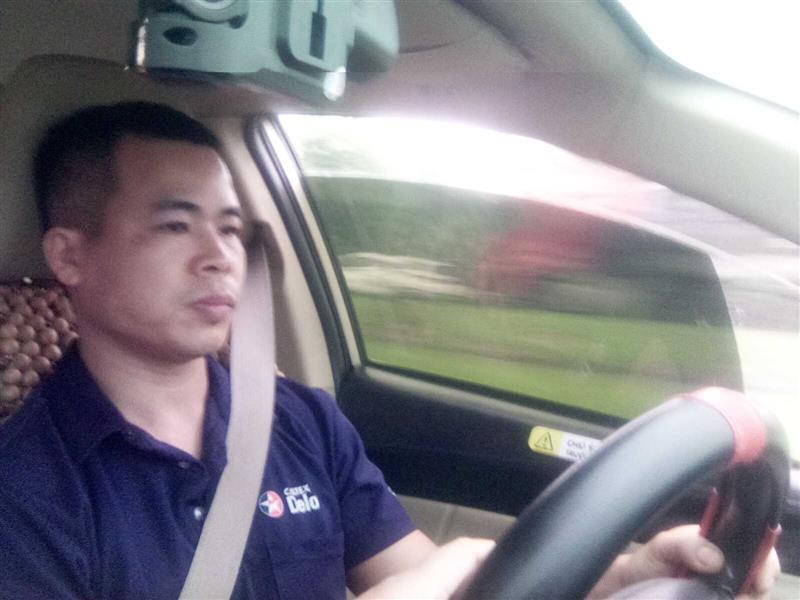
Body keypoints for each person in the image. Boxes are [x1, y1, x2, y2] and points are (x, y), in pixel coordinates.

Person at [0, 101, 779, 599]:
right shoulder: (25, 491)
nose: (220, 257)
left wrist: (630, 572)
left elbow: (426, 578)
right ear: (70, 256)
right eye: (176, 225)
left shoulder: (300, 422)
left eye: (231, 228)